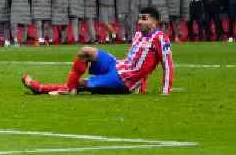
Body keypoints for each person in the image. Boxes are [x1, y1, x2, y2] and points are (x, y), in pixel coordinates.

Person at [21, 7, 174, 95]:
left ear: (155, 22)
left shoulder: (161, 38)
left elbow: (167, 65)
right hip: (118, 65)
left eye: (144, 19)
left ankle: (41, 88)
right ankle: (69, 88)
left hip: (123, 80)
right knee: (85, 51)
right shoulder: (139, 33)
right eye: (140, 18)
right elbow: (136, 60)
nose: (140, 22)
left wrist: (165, 91)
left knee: (80, 84)